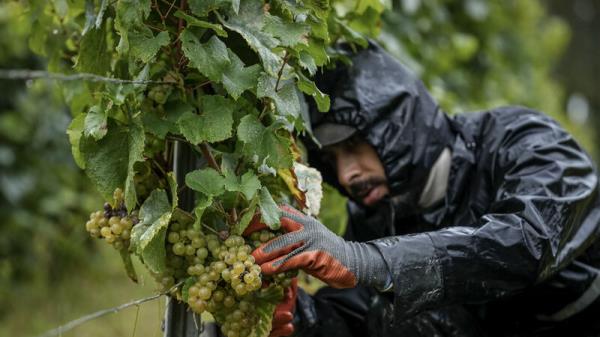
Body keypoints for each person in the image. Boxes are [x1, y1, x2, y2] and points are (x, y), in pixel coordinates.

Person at [249, 42, 600, 337]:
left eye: (355, 145)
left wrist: (370, 260)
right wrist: (297, 315)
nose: (347, 174)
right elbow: (358, 319)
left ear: (396, 123)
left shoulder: (526, 142)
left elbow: (528, 242)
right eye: (332, 158)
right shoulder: (377, 217)